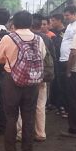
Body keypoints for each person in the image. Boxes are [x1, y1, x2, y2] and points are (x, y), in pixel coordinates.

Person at [0, 10, 49, 151]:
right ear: (31, 23)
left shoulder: (8, 38)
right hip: (32, 81)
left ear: (14, 23)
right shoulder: (39, 39)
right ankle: (27, 150)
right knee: (29, 115)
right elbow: (42, 56)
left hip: (12, 80)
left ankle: (10, 149)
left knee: (11, 115)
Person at [16, 13, 57, 142]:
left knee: (22, 105)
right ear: (41, 25)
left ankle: (21, 133)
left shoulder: (19, 38)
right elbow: (52, 58)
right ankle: (40, 132)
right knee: (40, 105)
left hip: (24, 77)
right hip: (41, 77)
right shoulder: (46, 39)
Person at [57, 5, 76, 118]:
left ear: (74, 13)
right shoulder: (70, 25)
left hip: (69, 59)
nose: (66, 18)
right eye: (65, 15)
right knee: (63, 85)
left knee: (69, 86)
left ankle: (69, 110)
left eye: (68, 15)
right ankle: (65, 108)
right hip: (63, 58)